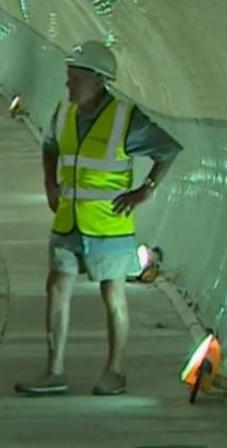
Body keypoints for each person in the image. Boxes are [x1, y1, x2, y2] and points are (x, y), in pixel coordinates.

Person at [15, 41, 183, 396]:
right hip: (67, 221)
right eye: (68, 77)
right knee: (57, 287)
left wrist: (146, 188)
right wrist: (49, 181)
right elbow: (49, 146)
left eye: (76, 78)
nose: (68, 85)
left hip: (108, 223)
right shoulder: (63, 113)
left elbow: (167, 150)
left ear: (99, 80)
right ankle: (54, 369)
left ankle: (115, 370)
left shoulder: (126, 119)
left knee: (113, 294)